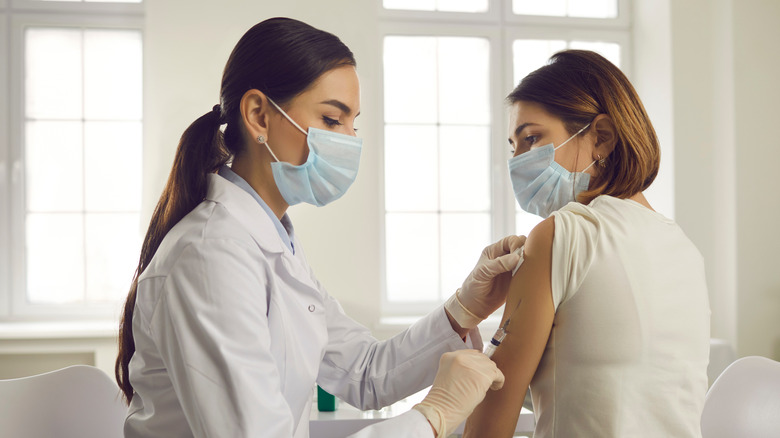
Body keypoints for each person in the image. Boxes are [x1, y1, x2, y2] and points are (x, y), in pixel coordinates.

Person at [115, 17, 524, 438]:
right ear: (259, 115)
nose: (349, 141)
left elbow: (365, 372)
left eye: (353, 125)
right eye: (332, 120)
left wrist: (463, 310)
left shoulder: (272, 241)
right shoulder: (209, 255)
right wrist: (433, 415)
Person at [463, 50, 711, 437]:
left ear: (602, 137)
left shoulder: (562, 234)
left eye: (531, 139)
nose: (518, 162)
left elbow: (494, 411)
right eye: (514, 148)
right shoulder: (683, 247)